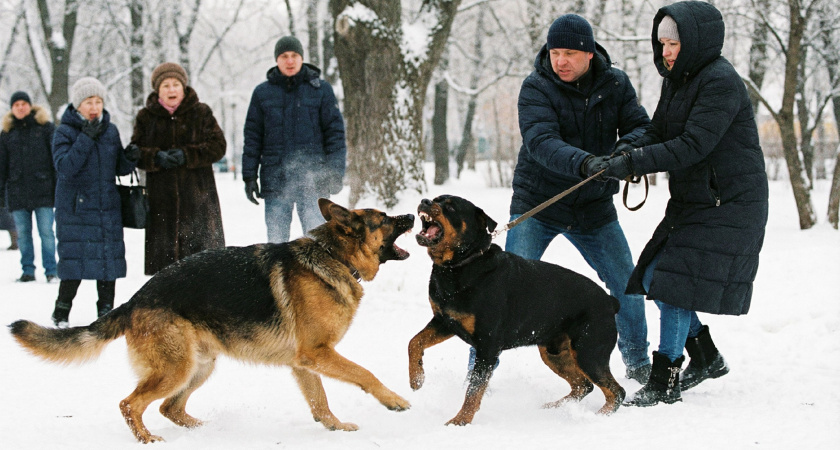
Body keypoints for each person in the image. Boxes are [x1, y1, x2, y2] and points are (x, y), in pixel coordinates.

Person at [596, 2, 769, 406]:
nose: (666, 52)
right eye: (662, 44)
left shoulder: (721, 81)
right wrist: (625, 151)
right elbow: (658, 131)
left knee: (673, 285)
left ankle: (665, 379)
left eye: (673, 44)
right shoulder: (678, 80)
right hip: (695, 200)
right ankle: (705, 356)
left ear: (695, 42)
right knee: (654, 277)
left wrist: (634, 163)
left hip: (728, 203)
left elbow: (693, 145)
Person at [485, 14, 653, 381]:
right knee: (501, 291)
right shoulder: (536, 87)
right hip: (538, 205)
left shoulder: (616, 83)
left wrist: (623, 153)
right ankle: (478, 374)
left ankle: (639, 365)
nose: (560, 61)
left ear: (590, 54)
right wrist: (587, 163)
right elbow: (542, 141)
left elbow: (641, 127)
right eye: (555, 52)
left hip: (594, 209)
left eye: (570, 54)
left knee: (627, 283)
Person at [51, 77, 138, 327]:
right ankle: (61, 312)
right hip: (75, 209)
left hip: (106, 207)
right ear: (77, 105)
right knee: (74, 263)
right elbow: (65, 167)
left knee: (107, 263)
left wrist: (129, 158)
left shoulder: (110, 130)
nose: (94, 107)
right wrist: (85, 138)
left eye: (98, 101)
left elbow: (118, 168)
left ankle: (106, 312)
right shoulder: (64, 132)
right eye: (89, 102)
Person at [242, 35, 346, 243]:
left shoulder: (321, 90)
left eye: (294, 55)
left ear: (302, 58)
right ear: (276, 60)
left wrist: (335, 173)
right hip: (275, 180)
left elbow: (335, 135)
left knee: (317, 242)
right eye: (284, 56)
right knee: (276, 244)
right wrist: (249, 176)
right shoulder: (262, 93)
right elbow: (252, 138)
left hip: (313, 180)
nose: (289, 61)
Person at [129, 62, 226, 275]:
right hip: (162, 206)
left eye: (175, 84)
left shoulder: (201, 113)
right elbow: (135, 152)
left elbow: (218, 147)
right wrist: (155, 157)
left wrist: (188, 155)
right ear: (158, 90)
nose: (171, 90)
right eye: (165, 85)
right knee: (165, 275)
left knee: (203, 271)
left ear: (183, 87)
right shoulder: (146, 117)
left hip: (198, 202)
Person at [0, 91, 57, 282]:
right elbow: (2, 166)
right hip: (17, 192)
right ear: (12, 109)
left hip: (43, 191)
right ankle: (28, 271)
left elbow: (55, 160)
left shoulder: (45, 128)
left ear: (30, 106)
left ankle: (51, 270)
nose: (20, 107)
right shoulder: (7, 133)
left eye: (23, 104)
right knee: (23, 235)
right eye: (16, 105)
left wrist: (57, 188)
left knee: (46, 233)